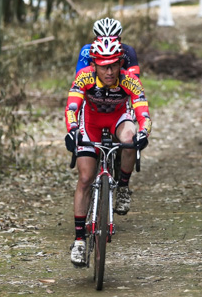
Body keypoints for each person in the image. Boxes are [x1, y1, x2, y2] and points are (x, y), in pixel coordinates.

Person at [64, 37, 152, 266]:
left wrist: (144, 133)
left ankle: (122, 185)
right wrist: (72, 130)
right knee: (85, 177)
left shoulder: (129, 80)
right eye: (104, 65)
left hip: (118, 120)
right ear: (94, 64)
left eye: (114, 64)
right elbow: (72, 107)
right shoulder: (84, 78)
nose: (110, 71)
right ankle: (80, 240)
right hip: (91, 124)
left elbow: (143, 112)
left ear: (121, 63)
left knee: (130, 139)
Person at [75, 17, 140, 77]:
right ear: (96, 39)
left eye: (112, 38)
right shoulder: (86, 51)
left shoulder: (128, 51)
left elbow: (135, 80)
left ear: (119, 39)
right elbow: (79, 77)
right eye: (102, 39)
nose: (107, 42)